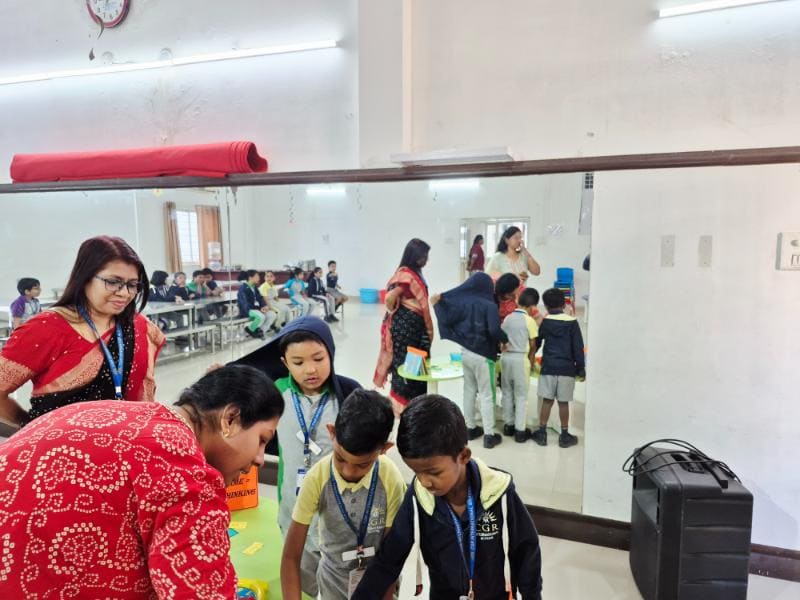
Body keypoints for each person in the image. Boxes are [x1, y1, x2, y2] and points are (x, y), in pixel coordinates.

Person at [0, 364, 283, 599]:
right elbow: (201, 592)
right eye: (262, 440)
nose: (259, 459)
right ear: (230, 419)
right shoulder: (184, 469)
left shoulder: (117, 412)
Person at [352, 395, 543, 600]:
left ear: (463, 456)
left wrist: (532, 596)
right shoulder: (418, 498)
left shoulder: (499, 493)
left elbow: (527, 552)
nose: (425, 482)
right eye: (416, 472)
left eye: (433, 472)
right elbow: (388, 559)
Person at [232, 315, 362, 597]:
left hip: (338, 508)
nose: (310, 369)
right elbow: (243, 404)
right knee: (302, 574)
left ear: (331, 353)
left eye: (318, 358)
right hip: (293, 505)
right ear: (285, 363)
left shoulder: (349, 394)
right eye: (298, 362)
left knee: (340, 576)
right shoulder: (276, 391)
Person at [0, 236, 165, 426]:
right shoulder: (45, 328)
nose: (124, 293)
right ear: (85, 278)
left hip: (130, 435)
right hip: (60, 441)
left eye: (132, 285)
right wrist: (30, 427)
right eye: (113, 282)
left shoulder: (139, 326)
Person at [281, 389, 406, 600]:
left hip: (380, 584)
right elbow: (291, 556)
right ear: (332, 432)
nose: (348, 471)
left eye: (362, 465)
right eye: (340, 458)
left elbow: (390, 558)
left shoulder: (390, 478)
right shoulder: (317, 478)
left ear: (384, 449)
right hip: (332, 585)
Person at [432, 272, 508, 449]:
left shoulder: (462, 303)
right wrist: (505, 340)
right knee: (487, 394)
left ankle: (470, 428)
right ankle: (489, 435)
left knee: (469, 390)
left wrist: (437, 305)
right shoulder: (489, 305)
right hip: (484, 356)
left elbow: (447, 318)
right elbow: (494, 330)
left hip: (465, 353)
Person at [374, 238, 434, 415]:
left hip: (415, 330)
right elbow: (389, 298)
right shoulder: (406, 275)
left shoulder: (414, 273)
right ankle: (405, 409)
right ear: (415, 256)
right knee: (407, 368)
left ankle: (416, 405)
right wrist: (394, 309)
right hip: (405, 332)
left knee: (416, 367)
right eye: (424, 256)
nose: (426, 260)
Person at [531, 288, 585, 449]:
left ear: (546, 306)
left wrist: (531, 358)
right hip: (567, 369)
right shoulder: (572, 322)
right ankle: (565, 435)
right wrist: (580, 367)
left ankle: (542, 433)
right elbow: (578, 347)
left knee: (547, 401)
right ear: (563, 304)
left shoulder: (545, 322)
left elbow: (537, 342)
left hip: (548, 367)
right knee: (563, 403)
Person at [500, 287, 540, 443]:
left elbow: (502, 339)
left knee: (507, 392)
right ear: (532, 306)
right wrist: (531, 360)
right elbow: (533, 344)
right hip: (520, 359)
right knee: (521, 396)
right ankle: (520, 431)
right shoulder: (529, 321)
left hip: (505, 358)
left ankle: (508, 425)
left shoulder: (508, 318)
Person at [237, 269, 276, 339]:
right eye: (257, 276)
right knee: (261, 317)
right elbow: (245, 304)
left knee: (272, 315)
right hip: (247, 310)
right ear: (250, 278)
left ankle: (261, 331)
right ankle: (250, 329)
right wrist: (258, 309)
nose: (259, 278)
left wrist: (264, 306)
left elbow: (260, 298)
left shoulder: (254, 287)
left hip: (257, 309)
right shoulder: (243, 288)